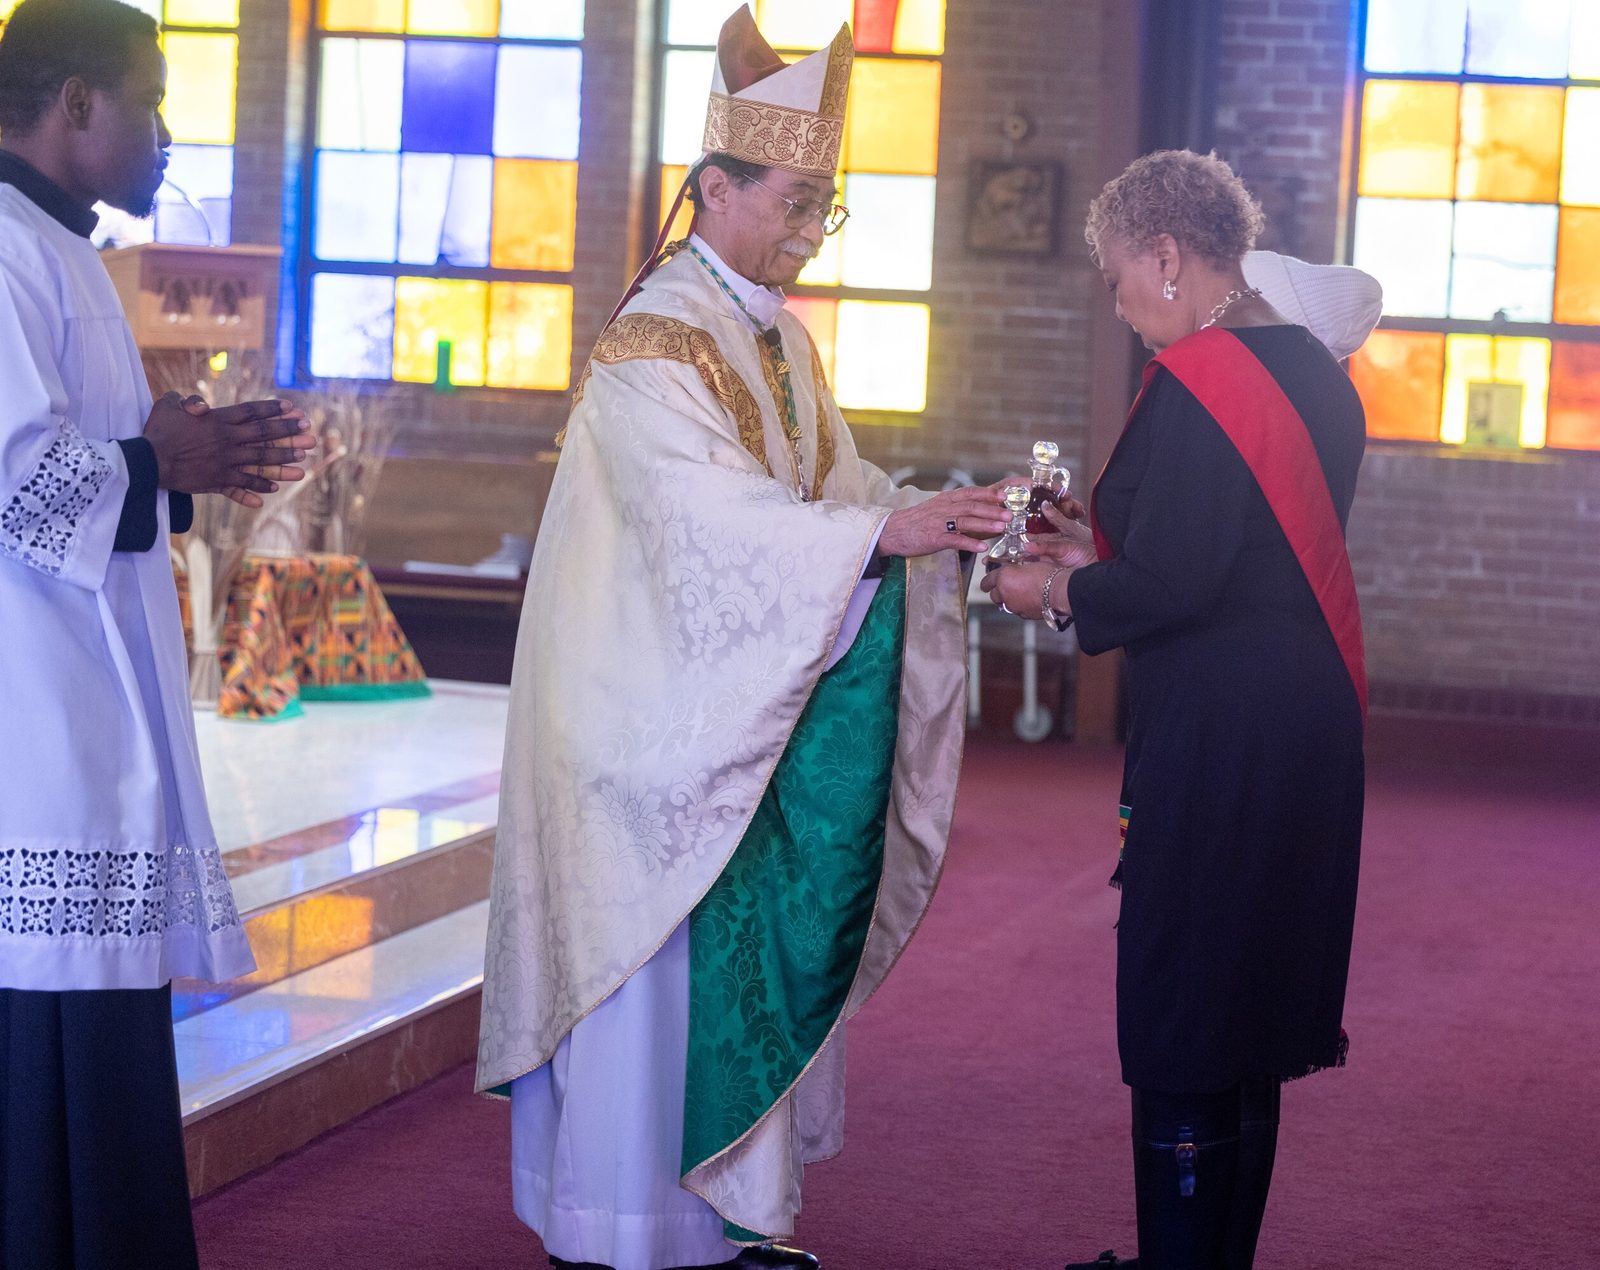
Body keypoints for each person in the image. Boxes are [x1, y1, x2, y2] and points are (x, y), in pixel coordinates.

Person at [476, 8, 1008, 1269]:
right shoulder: (656, 341)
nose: (812, 231)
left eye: (828, 207)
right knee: (649, 992)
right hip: (636, 729)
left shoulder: (773, 330)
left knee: (724, 972)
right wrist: (883, 536)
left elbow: (827, 489)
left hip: (713, 709)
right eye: (797, 204)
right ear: (716, 189)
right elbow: (710, 527)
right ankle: (626, 1225)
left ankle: (718, 1215)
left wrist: (933, 517)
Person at [983, 150, 1374, 1269]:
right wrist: (1093, 546)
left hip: (1220, 733)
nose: (1118, 305)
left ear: (1167, 255)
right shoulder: (1309, 367)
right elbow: (1235, 550)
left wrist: (1047, 591)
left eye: (1117, 278)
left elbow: (1177, 581)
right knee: (1241, 1012)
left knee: (1186, 1011)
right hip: (1295, 719)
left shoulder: (1203, 377)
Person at [0, 2, 312, 1265]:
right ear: (77, 104)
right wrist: (148, 458)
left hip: (86, 684)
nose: (170, 134)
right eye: (155, 101)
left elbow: (81, 461)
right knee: (53, 1021)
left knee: (100, 1011)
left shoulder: (59, 245)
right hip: (38, 709)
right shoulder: (4, 247)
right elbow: (18, 478)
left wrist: (183, 466)